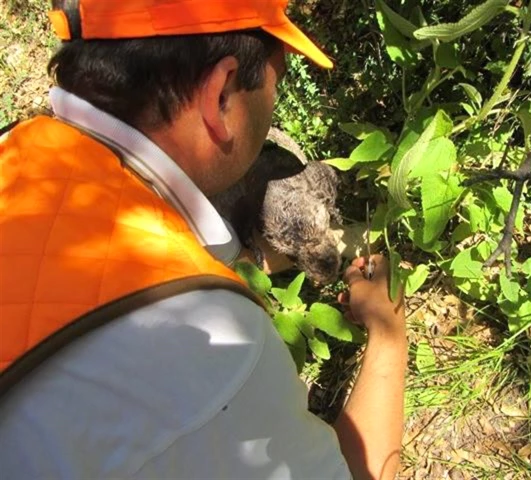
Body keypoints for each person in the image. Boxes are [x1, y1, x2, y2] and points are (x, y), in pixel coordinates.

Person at [0, 1, 408, 479]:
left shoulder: (13, 150)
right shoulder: (212, 344)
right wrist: (388, 335)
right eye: (277, 79)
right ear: (220, 95)